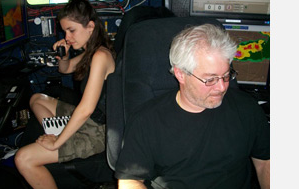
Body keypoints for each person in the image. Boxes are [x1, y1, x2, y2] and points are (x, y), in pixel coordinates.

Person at [115, 24, 270, 189]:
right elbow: (130, 180)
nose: (222, 87)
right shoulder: (147, 121)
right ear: (180, 73)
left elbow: (265, 161)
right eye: (210, 79)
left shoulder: (246, 108)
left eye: (226, 76)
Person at [14, 0, 116, 189]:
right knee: (37, 99)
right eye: (64, 32)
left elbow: (85, 109)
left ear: (90, 27)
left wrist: (56, 143)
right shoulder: (92, 51)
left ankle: (60, 138)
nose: (67, 38)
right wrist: (65, 56)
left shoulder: (101, 56)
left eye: (71, 31)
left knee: (23, 159)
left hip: (97, 132)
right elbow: (66, 69)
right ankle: (58, 134)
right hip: (89, 120)